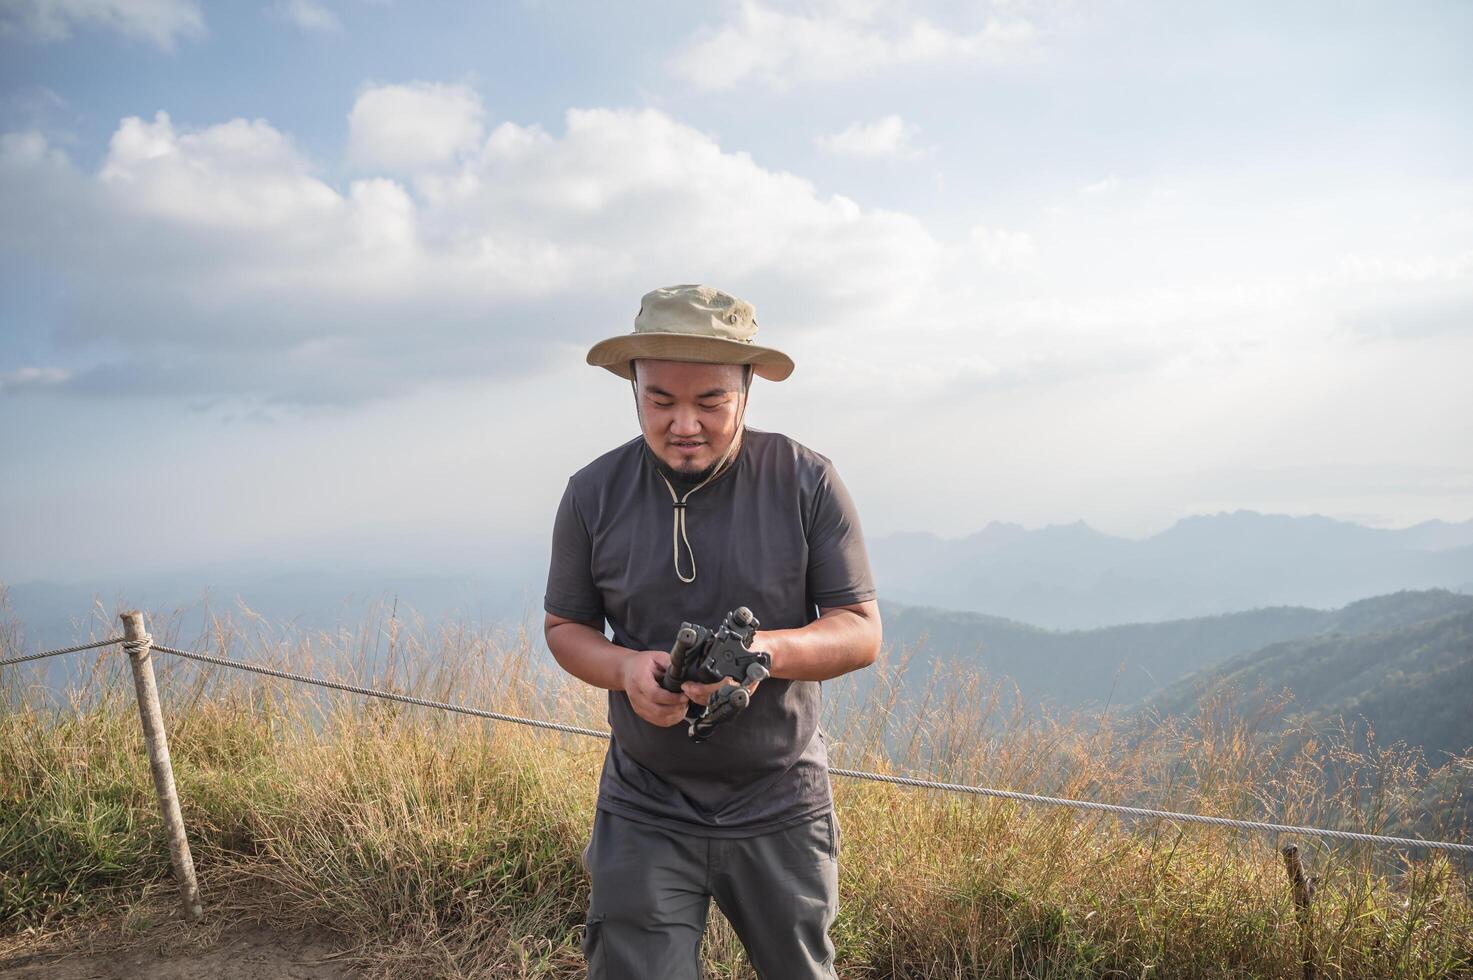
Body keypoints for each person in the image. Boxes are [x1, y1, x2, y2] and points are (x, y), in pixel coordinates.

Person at [543, 283, 882, 980]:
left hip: (779, 797)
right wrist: (625, 671)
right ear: (634, 390)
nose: (683, 424)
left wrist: (764, 654)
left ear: (747, 391)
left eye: (710, 402)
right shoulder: (591, 492)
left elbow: (858, 631)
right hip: (645, 799)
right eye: (660, 400)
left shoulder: (804, 480)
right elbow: (565, 625)